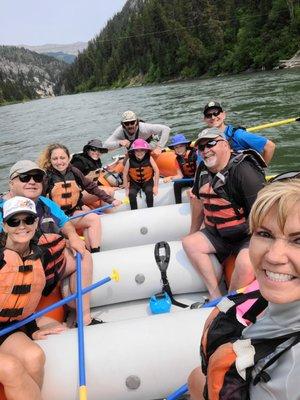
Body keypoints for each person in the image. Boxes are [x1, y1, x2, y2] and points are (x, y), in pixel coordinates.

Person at [188, 179, 300, 400]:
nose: (274, 256)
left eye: (298, 240)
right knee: (195, 379)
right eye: (264, 234)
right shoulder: (266, 303)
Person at [0, 160, 98, 326]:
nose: (32, 181)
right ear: (11, 183)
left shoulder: (45, 203)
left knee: (83, 255)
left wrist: (73, 237)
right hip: (22, 275)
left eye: (37, 177)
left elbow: (64, 222)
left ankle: (84, 316)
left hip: (50, 265)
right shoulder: (3, 211)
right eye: (24, 177)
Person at [182, 127, 266, 299]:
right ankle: (214, 294)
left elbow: (263, 213)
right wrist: (193, 231)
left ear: (226, 145)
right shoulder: (202, 170)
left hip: (247, 235)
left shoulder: (244, 171)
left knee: (244, 264)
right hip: (218, 234)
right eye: (202, 147)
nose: (205, 150)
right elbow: (199, 201)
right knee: (190, 243)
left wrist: (261, 244)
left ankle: (228, 304)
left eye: (211, 144)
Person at [0, 196, 65, 400]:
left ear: (36, 223)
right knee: (10, 368)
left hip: (6, 328)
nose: (22, 226)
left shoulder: (42, 256)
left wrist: (33, 329)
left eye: (28, 220)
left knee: (35, 357)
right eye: (14, 221)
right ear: (4, 226)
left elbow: (27, 298)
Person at [39, 143, 121, 252]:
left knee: (93, 218)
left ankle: (94, 252)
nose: (59, 162)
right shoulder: (46, 177)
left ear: (68, 158)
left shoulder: (74, 172)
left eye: (62, 158)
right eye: (55, 159)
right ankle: (90, 251)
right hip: (58, 219)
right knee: (92, 218)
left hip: (72, 213)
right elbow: (40, 200)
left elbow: (91, 187)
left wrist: (111, 200)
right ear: (50, 160)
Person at [202, 101, 276, 164]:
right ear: (205, 119)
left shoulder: (238, 135)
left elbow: (270, 146)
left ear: (224, 115)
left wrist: (260, 169)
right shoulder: (205, 140)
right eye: (209, 115)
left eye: (216, 113)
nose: (213, 117)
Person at [71, 139, 118, 206]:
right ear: (87, 150)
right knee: (108, 191)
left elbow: (93, 180)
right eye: (93, 149)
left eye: (99, 150)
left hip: (89, 189)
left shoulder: (96, 162)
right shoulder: (79, 163)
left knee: (110, 189)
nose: (96, 152)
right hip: (77, 194)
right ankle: (109, 213)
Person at [104, 110, 171, 155]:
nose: (130, 126)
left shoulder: (144, 127)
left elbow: (166, 129)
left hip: (151, 142)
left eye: (132, 122)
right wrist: (119, 143)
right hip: (135, 148)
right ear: (123, 124)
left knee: (146, 152)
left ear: (137, 122)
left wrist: (159, 147)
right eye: (127, 123)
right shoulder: (120, 131)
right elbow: (105, 146)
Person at [123, 138, 160, 210]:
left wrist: (155, 186)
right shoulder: (129, 160)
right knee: (131, 194)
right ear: (133, 151)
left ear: (146, 151)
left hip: (148, 182)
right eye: (137, 150)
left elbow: (157, 171)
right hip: (134, 183)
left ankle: (150, 210)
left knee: (149, 192)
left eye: (142, 150)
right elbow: (124, 174)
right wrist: (126, 189)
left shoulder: (149, 158)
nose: (139, 153)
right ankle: (134, 212)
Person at [163, 134, 198, 203]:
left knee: (197, 185)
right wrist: (170, 178)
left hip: (198, 178)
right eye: (176, 147)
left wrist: (196, 181)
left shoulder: (195, 154)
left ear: (186, 146)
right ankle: (178, 203)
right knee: (176, 184)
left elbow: (199, 170)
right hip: (188, 179)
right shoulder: (177, 159)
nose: (178, 149)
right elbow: (180, 176)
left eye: (181, 146)